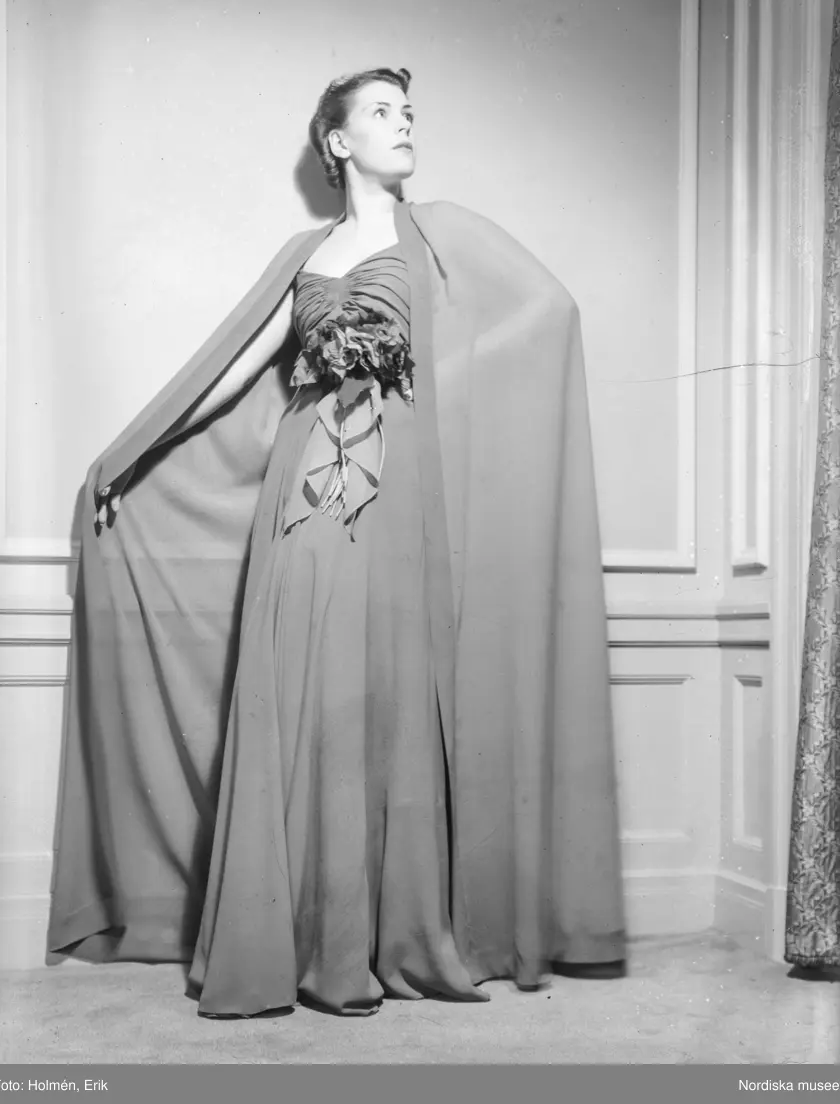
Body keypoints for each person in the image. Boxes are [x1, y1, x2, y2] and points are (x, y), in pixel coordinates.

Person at [47, 66, 626, 1018]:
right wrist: (130, 455)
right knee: (305, 686)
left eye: (409, 112)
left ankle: (392, 933)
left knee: (390, 687)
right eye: (382, 113)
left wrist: (435, 377)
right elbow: (236, 371)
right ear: (338, 142)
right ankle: (308, 940)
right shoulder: (304, 253)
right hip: (304, 482)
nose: (404, 126)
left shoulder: (440, 231)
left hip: (400, 483)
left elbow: (549, 313)